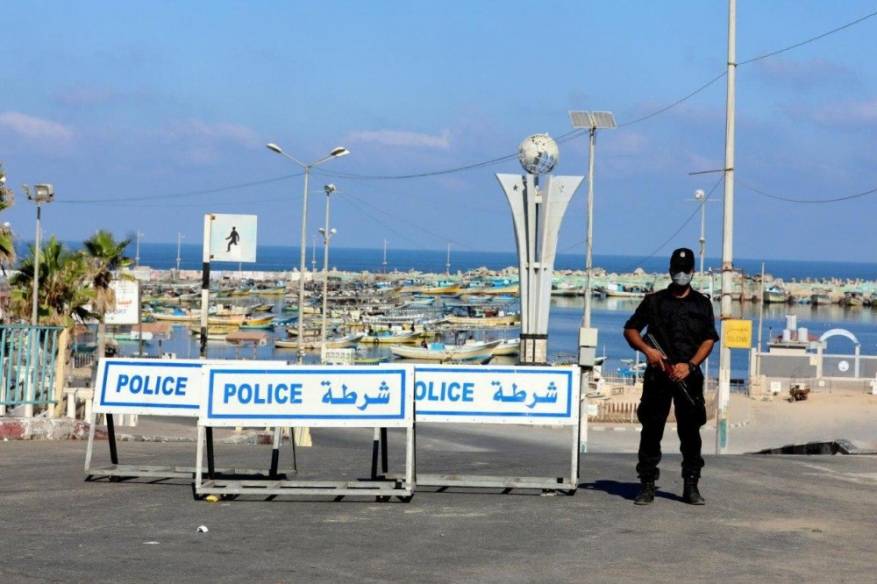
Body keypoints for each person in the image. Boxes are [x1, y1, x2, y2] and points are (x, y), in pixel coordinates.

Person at [623, 247, 718, 506]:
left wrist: (691, 365)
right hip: (659, 376)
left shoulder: (702, 304)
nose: (681, 274)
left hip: (688, 377)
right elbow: (631, 330)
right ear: (670, 270)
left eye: (685, 270)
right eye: (677, 269)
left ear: (692, 271)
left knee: (691, 434)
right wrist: (648, 351)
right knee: (651, 431)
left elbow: (709, 339)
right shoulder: (654, 301)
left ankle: (691, 485)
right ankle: (646, 484)